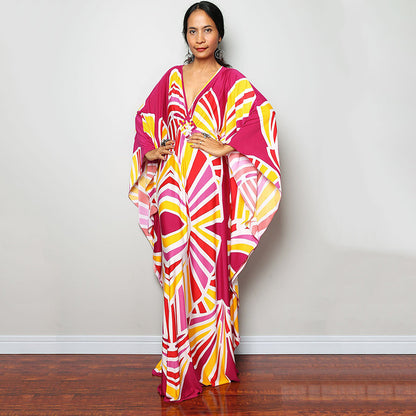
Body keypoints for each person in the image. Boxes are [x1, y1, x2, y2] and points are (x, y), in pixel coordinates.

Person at [128, 1, 281, 402]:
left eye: (207, 30)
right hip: (171, 187)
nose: (199, 38)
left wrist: (224, 145)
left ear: (220, 34)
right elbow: (145, 120)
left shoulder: (231, 80)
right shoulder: (171, 78)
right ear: (185, 35)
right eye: (192, 31)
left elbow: (263, 118)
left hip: (210, 192)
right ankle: (178, 364)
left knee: (207, 272)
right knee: (176, 273)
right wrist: (150, 151)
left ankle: (210, 362)